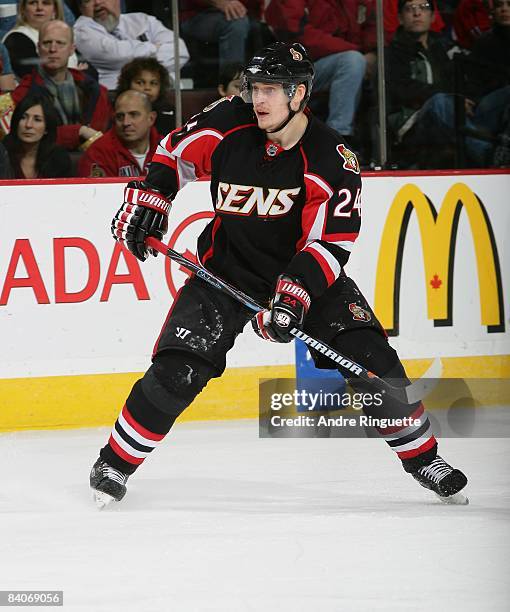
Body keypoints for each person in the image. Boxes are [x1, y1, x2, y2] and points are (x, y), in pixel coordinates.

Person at [89, 41, 468, 509]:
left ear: (300, 93)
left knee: (374, 363)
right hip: (224, 271)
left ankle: (423, 458)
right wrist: (152, 198)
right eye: (255, 87)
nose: (259, 99)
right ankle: (114, 462)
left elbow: (329, 244)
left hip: (304, 277)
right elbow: (172, 153)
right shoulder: (229, 120)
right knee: (178, 368)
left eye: (271, 89)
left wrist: (291, 299)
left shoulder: (332, 158)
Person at [385, 0, 508, 167]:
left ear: (433, 16)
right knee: (439, 101)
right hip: (415, 121)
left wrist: (463, 99)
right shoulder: (392, 52)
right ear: (400, 18)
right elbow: (402, 89)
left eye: (424, 8)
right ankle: (489, 156)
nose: (417, 13)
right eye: (410, 9)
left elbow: (468, 81)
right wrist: (452, 98)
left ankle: (505, 149)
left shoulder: (447, 47)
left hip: (459, 110)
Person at [264, 0, 377, 140]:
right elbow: (298, 34)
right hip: (295, 71)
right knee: (352, 61)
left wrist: (371, 51)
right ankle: (337, 138)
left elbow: (372, 25)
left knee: (379, 62)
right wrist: (356, 51)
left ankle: (385, 143)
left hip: (338, 61)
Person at [11, 19, 110, 150]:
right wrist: (78, 131)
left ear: (71, 49)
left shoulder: (94, 90)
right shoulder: (23, 93)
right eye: (47, 43)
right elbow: (19, 138)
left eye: (60, 43)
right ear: (38, 48)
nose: (53, 49)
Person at [73, 0, 189, 90]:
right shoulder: (81, 30)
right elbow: (116, 53)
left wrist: (133, 57)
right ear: (81, 9)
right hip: (119, 99)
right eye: (88, 0)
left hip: (166, 94)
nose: (97, 2)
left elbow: (181, 52)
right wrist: (154, 47)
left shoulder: (143, 20)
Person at [78, 88, 159, 177]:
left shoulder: (167, 149)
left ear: (151, 118)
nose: (126, 122)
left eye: (133, 115)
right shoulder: (98, 153)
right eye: (120, 116)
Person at [3, 0, 79, 79]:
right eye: (33, 3)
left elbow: (86, 67)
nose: (39, 8)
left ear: (55, 10)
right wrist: (77, 75)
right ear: (23, 9)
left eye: (46, 3)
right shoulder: (16, 39)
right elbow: (40, 79)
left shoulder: (64, 34)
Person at [3, 92, 71, 177]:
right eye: (23, 117)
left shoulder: (58, 158)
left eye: (37, 119)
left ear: (46, 128)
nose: (28, 125)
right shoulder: (3, 152)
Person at [116, 56, 174, 138]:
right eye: (140, 82)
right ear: (127, 84)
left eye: (153, 83)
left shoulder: (170, 111)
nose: (147, 88)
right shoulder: (117, 109)